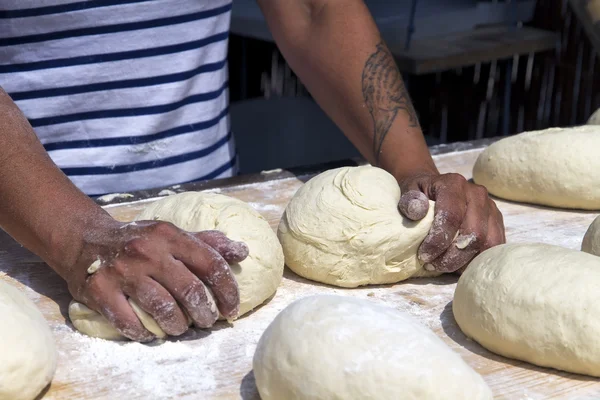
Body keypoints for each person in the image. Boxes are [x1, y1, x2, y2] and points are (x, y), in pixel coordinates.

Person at [0, 0, 505, 342]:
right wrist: (75, 234)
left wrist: (415, 171)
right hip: (24, 218)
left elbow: (314, 9)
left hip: (213, 196)